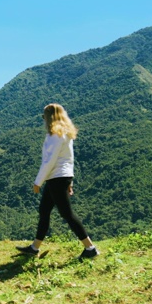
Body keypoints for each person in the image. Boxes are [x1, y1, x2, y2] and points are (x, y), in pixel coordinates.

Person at [16, 103, 99, 259]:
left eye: (44, 117)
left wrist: (38, 182)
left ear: (49, 117)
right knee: (44, 211)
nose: (43, 120)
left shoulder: (55, 135)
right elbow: (69, 160)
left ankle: (90, 248)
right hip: (61, 177)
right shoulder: (65, 133)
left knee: (67, 214)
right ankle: (34, 247)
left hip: (56, 177)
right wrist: (70, 182)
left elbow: (50, 161)